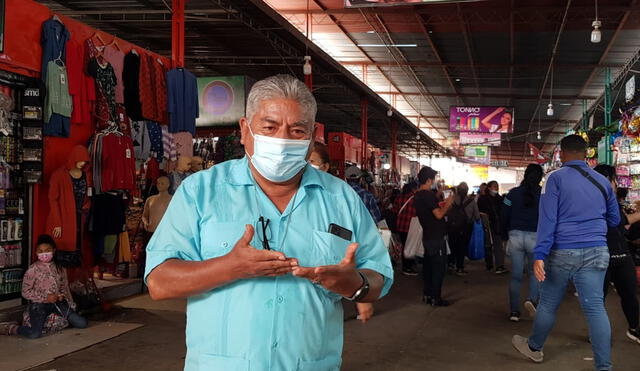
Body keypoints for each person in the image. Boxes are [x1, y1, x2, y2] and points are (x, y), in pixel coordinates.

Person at [144, 74, 393, 370]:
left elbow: (379, 276)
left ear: (312, 136)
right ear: (245, 130)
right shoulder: (201, 192)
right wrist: (229, 267)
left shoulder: (341, 198)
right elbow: (159, 282)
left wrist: (356, 285)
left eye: (297, 130)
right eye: (269, 127)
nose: (282, 140)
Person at [512, 135, 620, 371]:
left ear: (561, 153)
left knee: (549, 303)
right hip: (597, 250)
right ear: (585, 154)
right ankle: (604, 367)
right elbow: (615, 219)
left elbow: (548, 219)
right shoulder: (603, 181)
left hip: (563, 251)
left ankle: (534, 348)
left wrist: (540, 254)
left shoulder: (554, 178)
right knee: (595, 308)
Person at [309, 145, 375, 324]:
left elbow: (369, 257)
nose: (305, 165)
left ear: (325, 167)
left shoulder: (344, 197)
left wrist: (362, 292)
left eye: (311, 161)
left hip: (321, 311)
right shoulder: (365, 195)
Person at [0, 235, 88, 338]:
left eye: (47, 250)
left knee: (82, 323)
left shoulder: (60, 268)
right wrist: (45, 298)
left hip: (58, 303)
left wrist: (64, 298)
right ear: (36, 252)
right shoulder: (32, 270)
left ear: (54, 250)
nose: (44, 254)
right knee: (34, 333)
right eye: (40, 251)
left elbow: (64, 287)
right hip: (39, 305)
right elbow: (25, 292)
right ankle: (11, 328)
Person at [593, 164, 640, 344]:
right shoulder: (593, 202)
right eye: (613, 179)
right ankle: (597, 334)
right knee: (598, 299)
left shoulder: (611, 200)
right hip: (600, 256)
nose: (615, 183)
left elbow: (622, 221)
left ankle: (634, 328)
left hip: (621, 254)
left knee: (629, 294)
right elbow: (620, 221)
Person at [501, 164, 543, 322]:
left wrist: (504, 236)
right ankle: (531, 300)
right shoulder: (543, 195)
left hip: (515, 236)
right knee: (535, 273)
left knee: (516, 276)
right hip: (535, 237)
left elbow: (504, 214)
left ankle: (514, 312)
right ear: (540, 178)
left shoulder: (512, 194)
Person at [414, 166, 454, 307]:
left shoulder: (418, 195)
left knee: (429, 267)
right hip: (437, 236)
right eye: (433, 179)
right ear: (429, 180)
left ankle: (428, 294)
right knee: (438, 268)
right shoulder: (428, 195)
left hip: (427, 236)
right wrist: (448, 204)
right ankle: (436, 298)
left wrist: (439, 194)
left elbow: (430, 205)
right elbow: (438, 214)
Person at [447, 182, 478, 276]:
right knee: (462, 247)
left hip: (452, 227)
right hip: (466, 228)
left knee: (452, 245)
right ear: (467, 190)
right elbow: (477, 216)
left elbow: (446, 212)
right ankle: (460, 268)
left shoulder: (451, 200)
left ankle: (450, 264)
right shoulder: (471, 201)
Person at [478, 180, 507, 274]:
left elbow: (506, 207)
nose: (496, 188)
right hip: (486, 225)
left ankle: (499, 266)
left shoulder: (500, 198)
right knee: (488, 245)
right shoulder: (483, 199)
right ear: (489, 188)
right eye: (494, 186)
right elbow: (479, 211)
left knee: (498, 245)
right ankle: (489, 264)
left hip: (497, 225)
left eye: (497, 186)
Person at [393, 182, 418, 275]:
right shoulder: (415, 198)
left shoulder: (399, 197)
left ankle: (405, 266)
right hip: (411, 227)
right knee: (410, 246)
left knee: (404, 245)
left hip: (400, 226)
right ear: (413, 189)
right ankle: (408, 267)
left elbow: (394, 210)